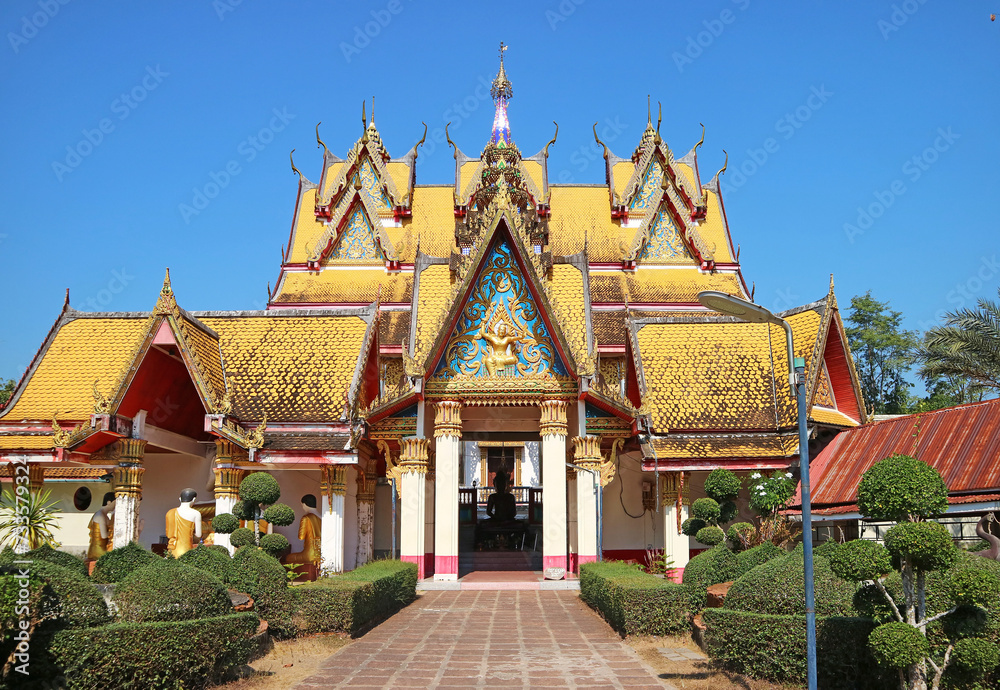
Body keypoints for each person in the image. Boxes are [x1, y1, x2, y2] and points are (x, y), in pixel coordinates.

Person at [165, 488, 202, 557]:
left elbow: (168, 533)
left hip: (172, 549)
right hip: (186, 549)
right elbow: (199, 534)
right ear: (194, 499)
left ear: (179, 499)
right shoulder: (196, 513)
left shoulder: (170, 513)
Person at [286, 494, 320, 564]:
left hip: (309, 554)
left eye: (302, 506)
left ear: (304, 504)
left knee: (288, 557)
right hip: (320, 554)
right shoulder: (322, 518)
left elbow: (301, 537)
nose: (303, 508)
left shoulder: (306, 518)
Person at [87, 492, 115, 560]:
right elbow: (104, 535)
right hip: (98, 549)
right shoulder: (100, 515)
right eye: (115, 503)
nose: (115, 505)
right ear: (109, 502)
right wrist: (114, 532)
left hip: (102, 547)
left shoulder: (104, 515)